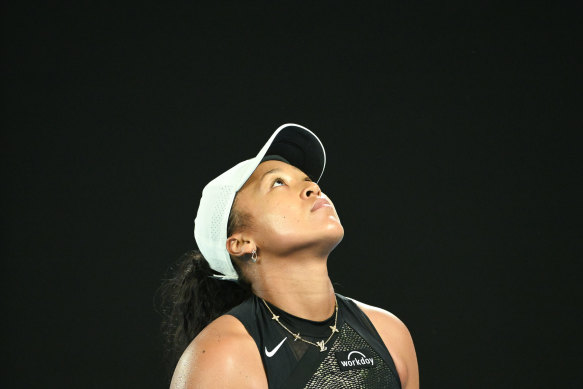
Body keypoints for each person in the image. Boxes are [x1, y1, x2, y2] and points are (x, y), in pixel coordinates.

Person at [161, 123, 419, 388]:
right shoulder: (224, 357)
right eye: (278, 183)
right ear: (241, 242)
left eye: (308, 181)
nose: (314, 189)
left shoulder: (390, 334)